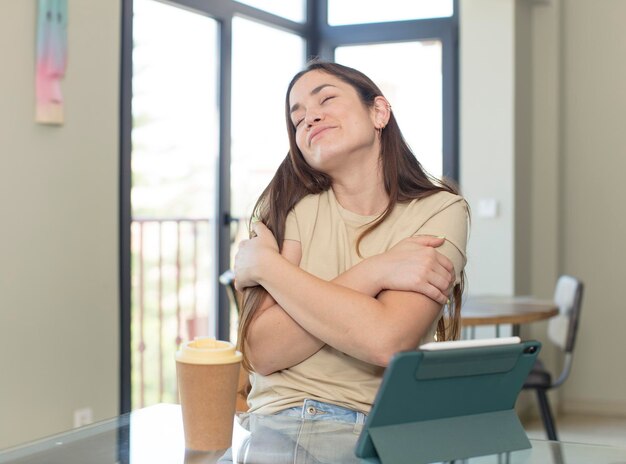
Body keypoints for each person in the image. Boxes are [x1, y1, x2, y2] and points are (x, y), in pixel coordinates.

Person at [233, 60, 469, 425]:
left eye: (325, 99)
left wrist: (269, 268)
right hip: (284, 417)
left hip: (382, 425)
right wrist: (377, 270)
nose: (309, 118)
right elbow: (262, 351)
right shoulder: (286, 207)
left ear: (378, 112)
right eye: (298, 119)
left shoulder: (440, 211)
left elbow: (387, 341)